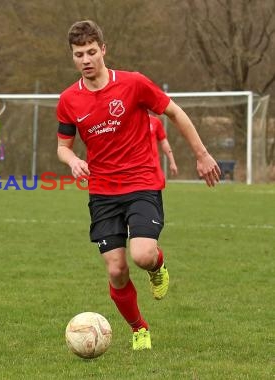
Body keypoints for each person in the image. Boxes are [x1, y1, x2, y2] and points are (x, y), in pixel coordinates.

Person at [56, 20, 220, 350]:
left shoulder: (133, 84)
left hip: (141, 182)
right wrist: (72, 161)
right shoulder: (69, 100)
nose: (86, 59)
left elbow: (175, 112)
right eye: (78, 55)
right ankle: (139, 328)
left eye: (91, 52)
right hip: (102, 192)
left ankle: (157, 267)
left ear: (103, 49)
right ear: (72, 57)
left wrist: (201, 155)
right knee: (116, 269)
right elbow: (63, 145)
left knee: (142, 255)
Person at [149, 114, 178, 182]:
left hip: (154, 170)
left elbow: (164, 142)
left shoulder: (155, 121)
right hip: (137, 171)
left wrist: (172, 162)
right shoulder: (130, 121)